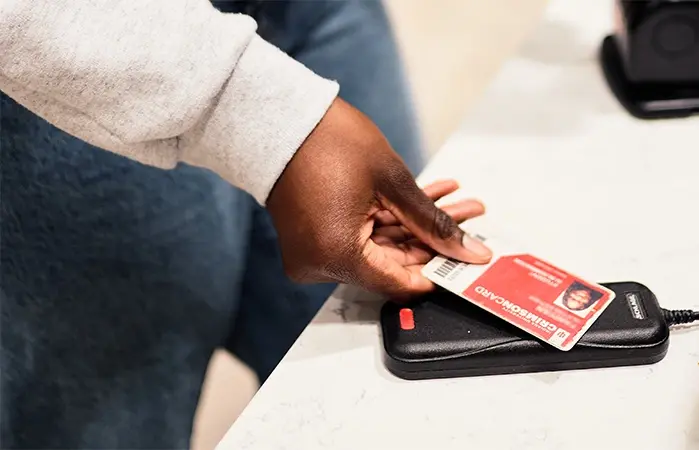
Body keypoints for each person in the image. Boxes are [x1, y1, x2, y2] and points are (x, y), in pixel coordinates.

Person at [0, 1, 493, 448]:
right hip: (70, 62)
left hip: (323, 13)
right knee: (112, 422)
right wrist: (244, 104)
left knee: (389, 401)